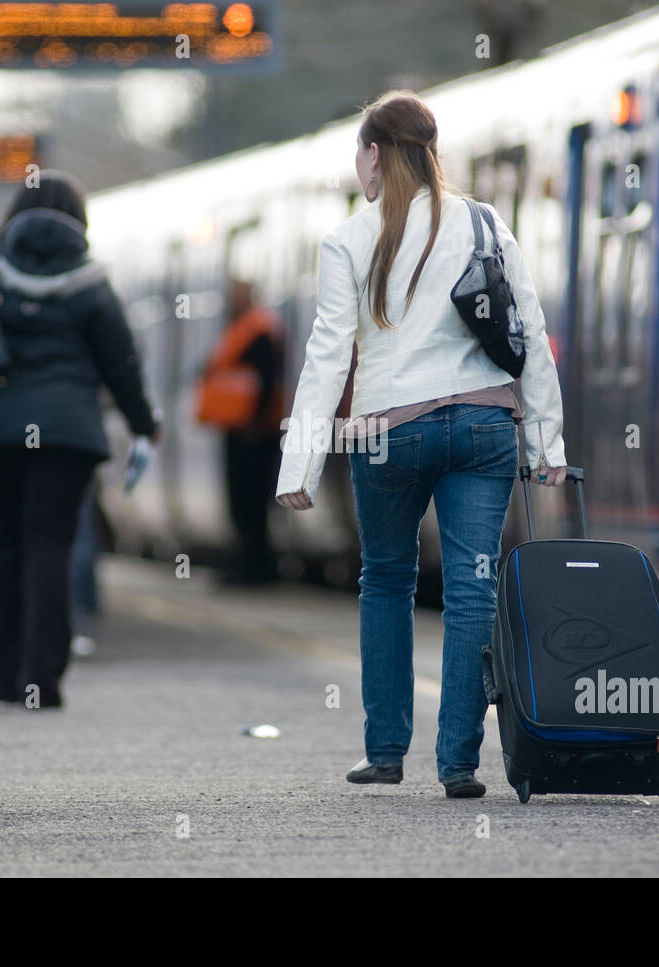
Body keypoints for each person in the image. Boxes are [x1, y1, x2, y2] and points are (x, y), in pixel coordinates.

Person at [275, 91, 568, 798]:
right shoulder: (484, 223)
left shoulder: (349, 239)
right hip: (481, 426)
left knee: (386, 578)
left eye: (359, 151)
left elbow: (327, 356)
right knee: (473, 587)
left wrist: (301, 461)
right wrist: (546, 444)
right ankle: (459, 764)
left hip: (386, 432)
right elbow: (528, 331)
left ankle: (384, 751)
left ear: (375, 153)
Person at [0, 170, 159, 709]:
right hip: (64, 437)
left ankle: (0, 680)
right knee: (50, 549)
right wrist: (144, 423)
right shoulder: (92, 282)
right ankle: (41, 682)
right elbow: (121, 365)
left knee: (0, 548)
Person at [198, 279, 285, 583]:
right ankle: (248, 564)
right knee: (241, 500)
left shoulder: (258, 329)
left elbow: (267, 379)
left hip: (255, 431)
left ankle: (256, 568)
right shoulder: (242, 328)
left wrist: (255, 423)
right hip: (239, 428)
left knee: (251, 500)